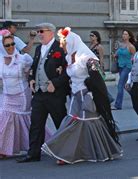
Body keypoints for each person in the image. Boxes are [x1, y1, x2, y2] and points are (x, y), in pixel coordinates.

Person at [41, 28, 122, 165]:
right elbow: (68, 75)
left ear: (71, 42)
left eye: (63, 43)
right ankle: (70, 153)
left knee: (82, 123)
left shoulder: (87, 58)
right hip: (74, 95)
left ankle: (70, 153)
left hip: (86, 97)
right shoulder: (70, 57)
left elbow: (99, 76)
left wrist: (91, 82)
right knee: (74, 122)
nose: (61, 46)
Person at [17, 23, 70, 163]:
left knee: (61, 123)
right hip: (40, 93)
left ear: (51, 33)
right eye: (38, 31)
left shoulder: (61, 47)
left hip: (55, 94)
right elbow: (34, 67)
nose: (39, 34)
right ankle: (33, 153)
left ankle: (66, 152)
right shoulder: (39, 48)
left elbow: (68, 70)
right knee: (36, 124)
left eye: (41, 31)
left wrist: (56, 83)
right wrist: (31, 79)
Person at [0, 33, 50, 159]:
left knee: (26, 121)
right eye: (7, 45)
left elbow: (33, 73)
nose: (10, 47)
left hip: (22, 95)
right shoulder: (0, 61)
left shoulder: (24, 59)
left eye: (12, 44)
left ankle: (39, 144)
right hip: (7, 95)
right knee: (4, 120)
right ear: (3, 46)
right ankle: (3, 149)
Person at [89, 31, 115, 103]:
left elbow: (101, 58)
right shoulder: (90, 45)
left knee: (99, 84)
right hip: (91, 66)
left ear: (96, 37)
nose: (91, 37)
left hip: (97, 66)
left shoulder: (99, 47)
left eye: (92, 35)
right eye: (90, 35)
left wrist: (102, 69)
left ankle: (108, 98)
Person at [113, 30, 136, 110]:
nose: (124, 35)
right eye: (123, 34)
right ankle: (137, 97)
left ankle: (118, 105)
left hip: (127, 67)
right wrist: (114, 55)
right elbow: (116, 54)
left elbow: (135, 58)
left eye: (126, 34)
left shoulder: (131, 46)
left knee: (120, 85)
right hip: (120, 66)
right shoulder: (120, 45)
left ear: (129, 36)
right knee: (126, 87)